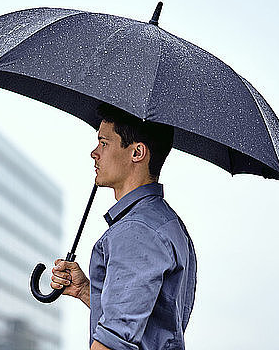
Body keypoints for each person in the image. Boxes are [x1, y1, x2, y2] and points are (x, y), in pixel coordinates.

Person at [50, 103, 197, 350]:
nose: (94, 153)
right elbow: (151, 323)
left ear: (137, 152)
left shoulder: (137, 231)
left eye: (104, 143)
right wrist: (87, 290)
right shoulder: (165, 223)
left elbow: (114, 342)